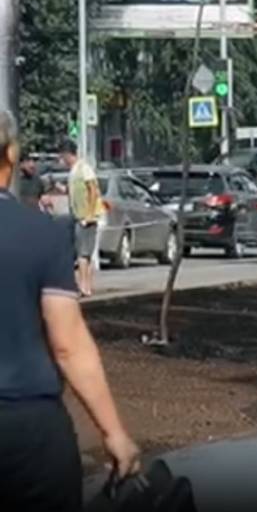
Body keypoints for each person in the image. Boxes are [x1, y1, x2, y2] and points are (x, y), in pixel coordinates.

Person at [0, 111, 140, 510]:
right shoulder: (41, 235)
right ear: (11, 153)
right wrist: (113, 433)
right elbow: (68, 346)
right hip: (27, 434)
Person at [59, 139, 104, 297]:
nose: (62, 160)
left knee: (83, 254)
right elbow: (75, 192)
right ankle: (85, 286)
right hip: (78, 217)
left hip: (86, 218)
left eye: (63, 156)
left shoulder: (84, 168)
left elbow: (93, 190)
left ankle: (85, 286)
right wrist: (62, 189)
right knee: (83, 254)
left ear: (68, 154)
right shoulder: (73, 171)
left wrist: (90, 214)